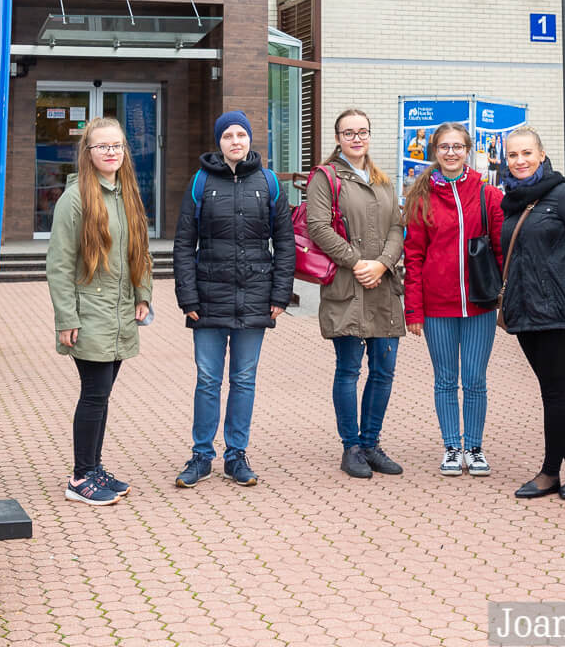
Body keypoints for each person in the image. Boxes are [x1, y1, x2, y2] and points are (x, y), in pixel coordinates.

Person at [172, 110, 294, 489]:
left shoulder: (269, 183)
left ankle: (236, 455)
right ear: (219, 142)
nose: (235, 141)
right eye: (228, 135)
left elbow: (285, 243)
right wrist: (187, 296)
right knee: (208, 379)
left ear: (250, 139)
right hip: (208, 299)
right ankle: (201, 456)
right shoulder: (200, 182)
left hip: (255, 297)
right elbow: (183, 244)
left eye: (241, 134)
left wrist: (280, 294)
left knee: (243, 379)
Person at [45, 117, 154, 506]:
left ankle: (94, 468)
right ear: (87, 152)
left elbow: (139, 250)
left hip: (120, 312)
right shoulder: (74, 200)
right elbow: (59, 264)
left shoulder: (126, 193)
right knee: (94, 394)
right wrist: (67, 319)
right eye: (102, 146)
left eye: (117, 145)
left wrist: (143, 294)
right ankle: (80, 478)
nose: (111, 152)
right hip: (90, 314)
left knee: (102, 395)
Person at [494, 126, 565, 500]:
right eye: (513, 155)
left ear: (541, 155)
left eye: (527, 153)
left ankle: (549, 473)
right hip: (526, 313)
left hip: (560, 314)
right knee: (557, 392)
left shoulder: (564, 197)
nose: (520, 160)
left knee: (554, 393)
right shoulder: (512, 200)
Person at [303, 108, 407, 480]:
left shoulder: (382, 180)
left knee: (383, 371)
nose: (356, 138)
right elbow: (318, 227)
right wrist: (357, 262)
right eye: (349, 133)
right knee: (348, 370)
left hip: (383, 288)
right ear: (338, 138)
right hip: (347, 288)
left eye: (362, 131)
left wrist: (382, 264)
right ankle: (351, 447)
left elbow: (397, 227)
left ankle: (371, 443)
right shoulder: (325, 177)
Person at [403, 121, 503, 477]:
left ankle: (473, 447)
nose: (451, 152)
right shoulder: (422, 197)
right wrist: (413, 311)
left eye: (457, 146)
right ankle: (451, 446)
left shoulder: (487, 194)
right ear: (435, 151)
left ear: (467, 150)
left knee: (475, 379)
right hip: (437, 307)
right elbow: (413, 257)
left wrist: (503, 296)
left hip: (479, 305)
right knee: (445, 380)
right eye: (444, 146)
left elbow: (501, 250)